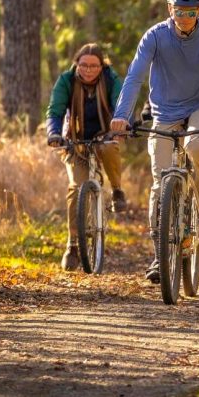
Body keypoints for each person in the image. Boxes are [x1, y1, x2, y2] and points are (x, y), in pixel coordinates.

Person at [110, 0, 199, 283]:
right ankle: (160, 254)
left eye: (191, 13)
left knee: (197, 146)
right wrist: (121, 116)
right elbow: (134, 78)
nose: (184, 19)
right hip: (165, 109)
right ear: (170, 9)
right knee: (160, 181)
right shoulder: (154, 36)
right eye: (179, 12)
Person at [45, 43, 127, 271]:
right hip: (75, 140)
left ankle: (117, 190)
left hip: (105, 134)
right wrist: (53, 133)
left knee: (109, 149)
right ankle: (72, 245)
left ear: (102, 66)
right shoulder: (66, 80)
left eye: (93, 66)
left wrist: (119, 128)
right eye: (83, 65)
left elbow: (121, 106)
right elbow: (55, 111)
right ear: (76, 64)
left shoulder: (111, 79)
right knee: (76, 186)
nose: (88, 70)